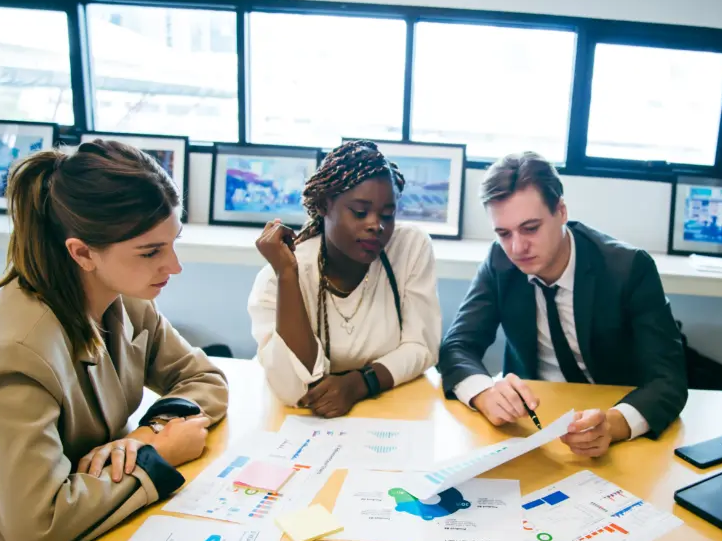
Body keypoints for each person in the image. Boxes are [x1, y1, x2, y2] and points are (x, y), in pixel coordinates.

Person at [0, 140, 228, 541]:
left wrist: (149, 432)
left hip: (94, 517)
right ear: (82, 252)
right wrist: (158, 455)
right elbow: (35, 528)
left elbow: (204, 379)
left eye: (172, 242)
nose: (174, 266)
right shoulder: (13, 352)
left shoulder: (125, 297)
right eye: (151, 251)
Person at [439, 151, 688, 457]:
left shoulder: (628, 268)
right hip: (533, 423)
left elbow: (669, 379)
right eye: (503, 233)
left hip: (612, 419)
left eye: (531, 228)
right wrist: (483, 393)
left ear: (561, 211)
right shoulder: (500, 262)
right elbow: (458, 345)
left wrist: (614, 425)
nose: (517, 247)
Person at [248, 140, 440, 416]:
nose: (376, 225)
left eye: (387, 214)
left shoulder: (409, 247)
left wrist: (361, 383)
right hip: (303, 422)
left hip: (392, 408)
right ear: (324, 205)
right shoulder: (278, 277)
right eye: (360, 212)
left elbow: (422, 347)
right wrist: (287, 276)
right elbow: (293, 390)